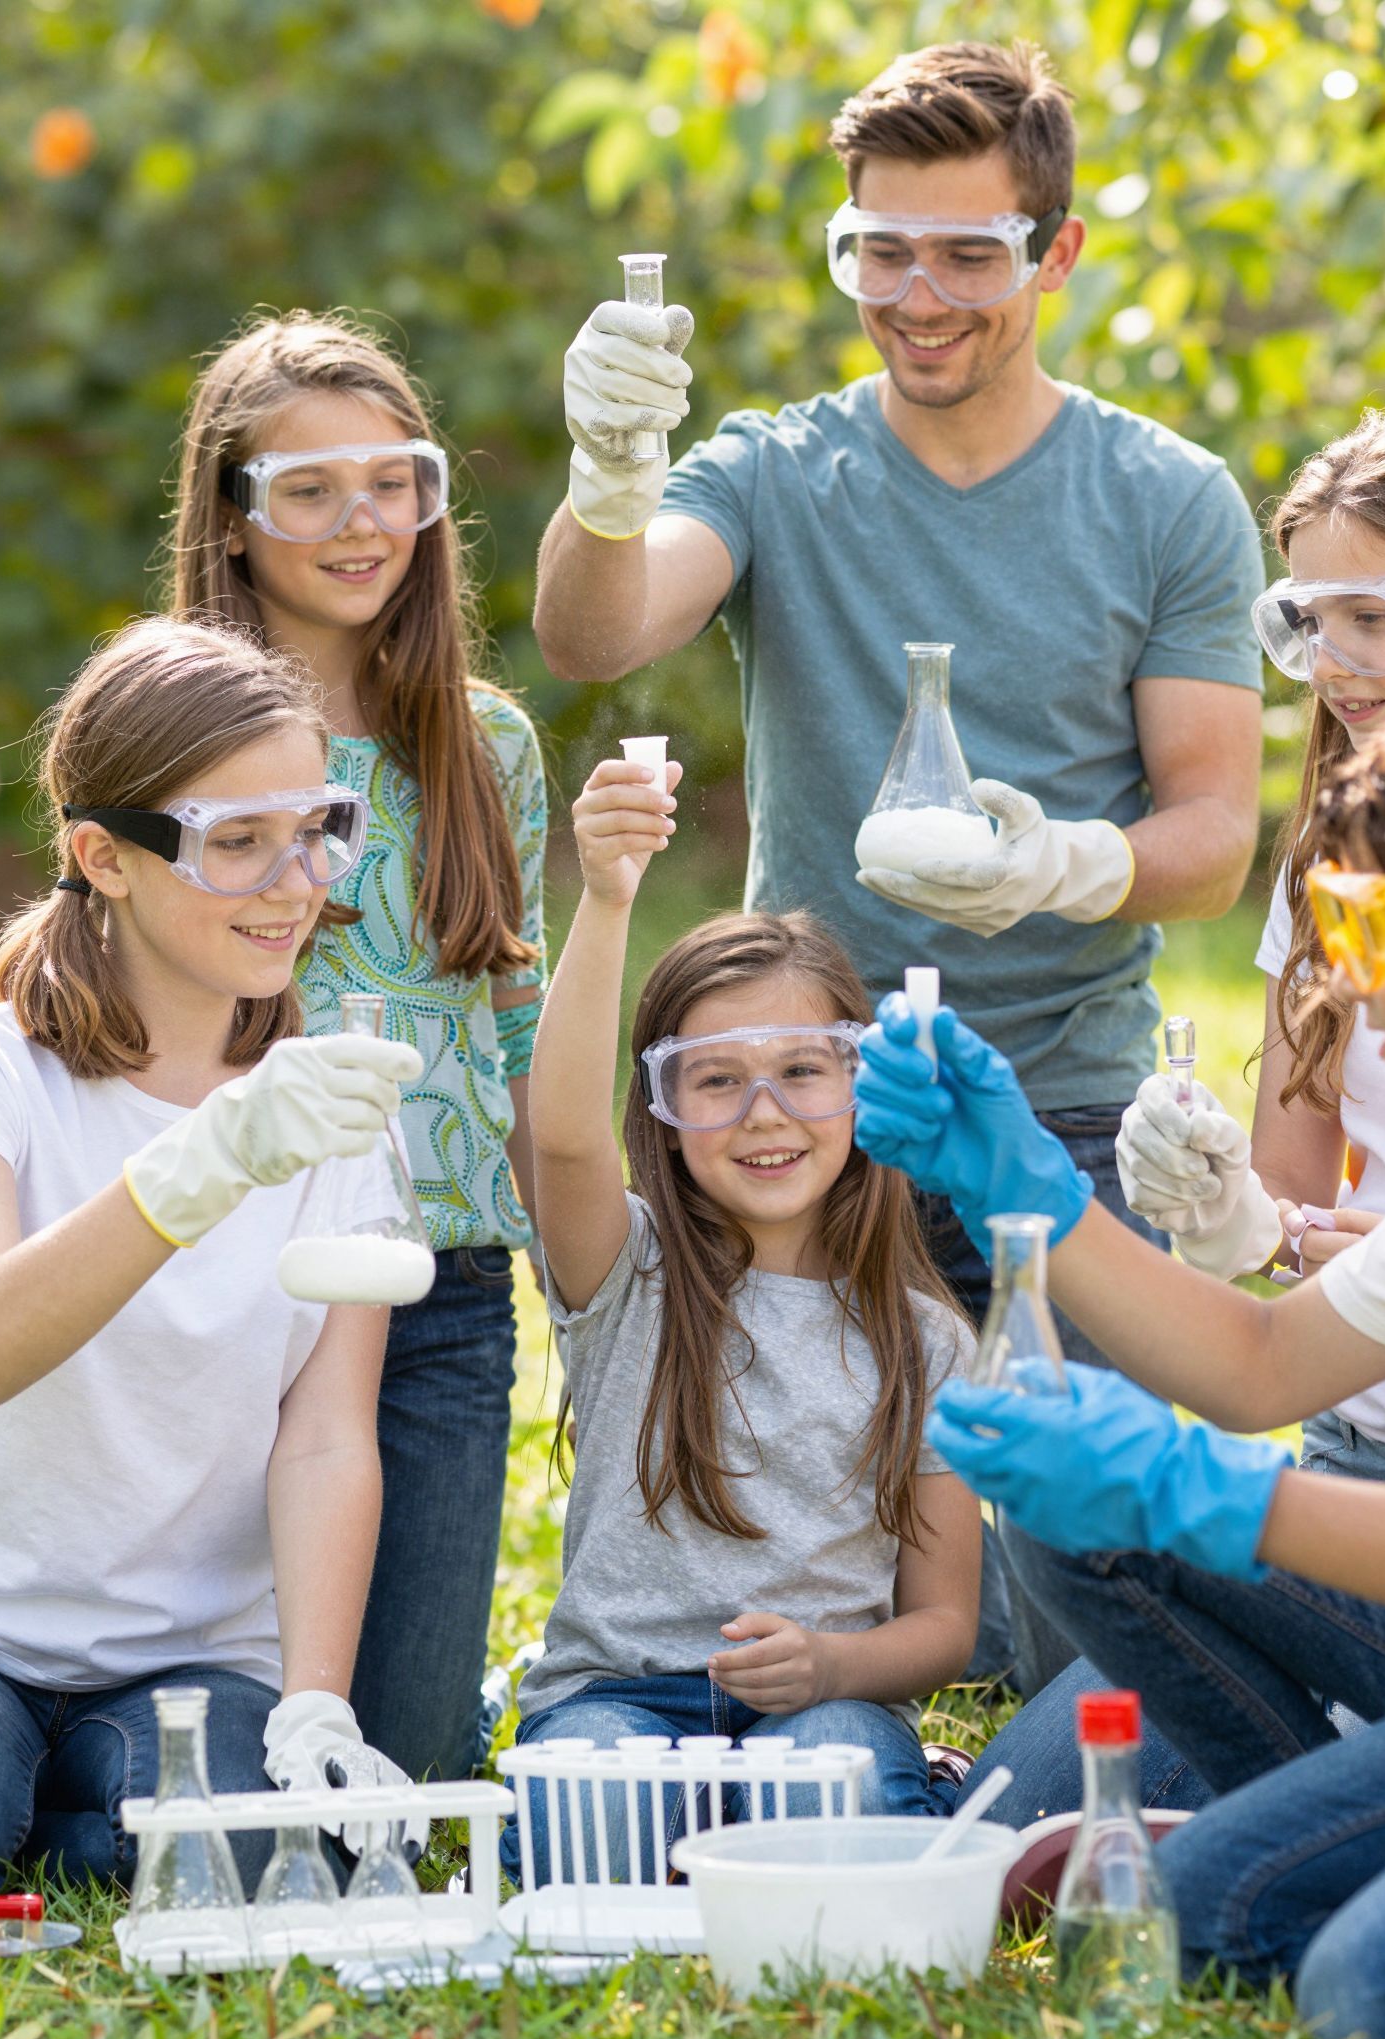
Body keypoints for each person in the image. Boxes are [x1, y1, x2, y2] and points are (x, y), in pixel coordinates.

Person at [532, 39, 1266, 1691]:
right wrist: (607, 474)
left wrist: (1066, 865)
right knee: (805, 1553)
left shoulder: (1166, 499)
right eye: (878, 248)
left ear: (1055, 252)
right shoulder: (783, 468)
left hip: (1058, 1101)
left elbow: (1214, 836)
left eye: (966, 252)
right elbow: (596, 629)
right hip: (813, 1115)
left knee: (1091, 1593)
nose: (916, 293)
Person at [853, 683, 1385, 2039]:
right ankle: (1365, 1823)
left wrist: (1225, 1497)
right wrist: (1013, 1172)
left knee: (1383, 1988)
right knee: (1188, 1915)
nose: (1352, 979)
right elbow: (1260, 1364)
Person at [0, 617, 421, 1894]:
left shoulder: (322, 1107)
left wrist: (315, 1701)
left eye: (317, 827)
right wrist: (211, 1158)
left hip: (191, 1659)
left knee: (247, 1851)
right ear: (103, 855)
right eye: (236, 842)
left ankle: (69, 1812)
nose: (296, 881)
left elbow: (326, 1436)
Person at [168, 312, 549, 1783]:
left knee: (415, 1767)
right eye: (307, 489)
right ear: (234, 518)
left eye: (391, 479)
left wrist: (590, 1265)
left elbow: (505, 1022)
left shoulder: (486, 743)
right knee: (207, 1732)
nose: (360, 522)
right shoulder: (174, 738)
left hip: (439, 1281)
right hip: (234, 1270)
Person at [500, 753, 981, 1877]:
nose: (765, 1112)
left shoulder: (929, 1339)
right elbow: (561, 1134)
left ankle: (851, 1802)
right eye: (714, 1079)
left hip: (824, 1706)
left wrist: (829, 1668)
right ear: (663, 1111)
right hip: (613, 1698)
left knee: (833, 1791)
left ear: (864, 1082)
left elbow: (943, 1627)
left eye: (806, 1070)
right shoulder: (629, 1268)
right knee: (589, 1830)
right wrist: (609, 892)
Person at [1118, 403, 1385, 1486]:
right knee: (1090, 1578)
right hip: (1350, 1433)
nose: (1334, 666)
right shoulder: (1323, 865)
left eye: (1372, 619)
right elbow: (1290, 1190)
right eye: (1310, 623)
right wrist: (1226, 1206)